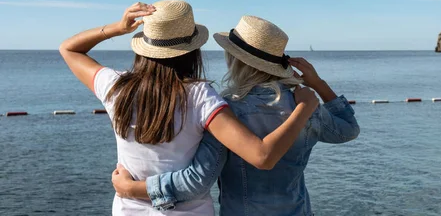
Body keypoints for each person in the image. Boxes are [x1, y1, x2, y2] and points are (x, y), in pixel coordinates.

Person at [60, 2, 319, 216]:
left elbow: (69, 48)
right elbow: (262, 156)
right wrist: (303, 108)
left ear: (144, 46)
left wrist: (117, 28)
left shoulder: (115, 87)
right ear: (192, 50)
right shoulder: (201, 97)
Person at [111, 15, 360, 215]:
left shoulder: (228, 111)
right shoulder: (303, 105)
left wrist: (133, 189)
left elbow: (198, 179)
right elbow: (349, 129)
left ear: (235, 60)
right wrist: (318, 85)